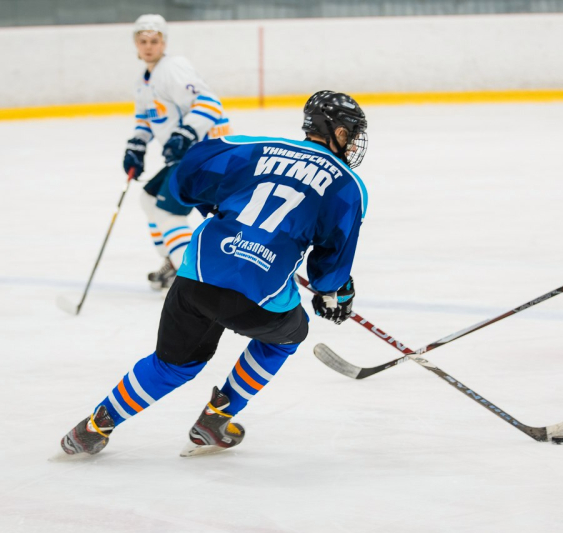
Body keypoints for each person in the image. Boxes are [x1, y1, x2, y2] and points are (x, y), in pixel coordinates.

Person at [60, 90, 369, 457]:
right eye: (350, 132)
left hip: (196, 278)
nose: (352, 143)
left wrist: (216, 206)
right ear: (334, 131)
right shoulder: (348, 186)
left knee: (172, 365)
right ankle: (217, 416)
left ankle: (93, 428)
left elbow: (189, 173)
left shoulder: (255, 146)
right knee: (290, 332)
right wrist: (334, 291)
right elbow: (327, 273)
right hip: (258, 300)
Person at [124, 14, 231, 291]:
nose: (149, 46)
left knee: (169, 214)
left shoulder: (173, 68)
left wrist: (185, 133)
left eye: (154, 41)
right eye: (143, 41)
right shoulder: (143, 80)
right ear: (136, 43)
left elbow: (209, 103)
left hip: (205, 155)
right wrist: (136, 146)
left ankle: (189, 281)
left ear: (164, 42)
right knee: (149, 199)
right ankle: (173, 263)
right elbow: (146, 121)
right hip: (187, 156)